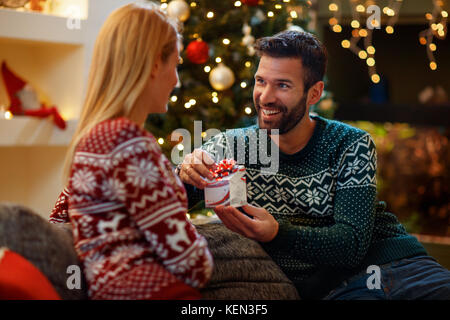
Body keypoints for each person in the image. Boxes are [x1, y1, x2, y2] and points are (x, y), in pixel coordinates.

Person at [177, 30, 450, 300]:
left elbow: (351, 244)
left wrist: (277, 233)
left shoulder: (350, 143)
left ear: (314, 93)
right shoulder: (231, 146)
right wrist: (185, 172)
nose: (265, 96)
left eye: (282, 85)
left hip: (403, 268)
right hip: (336, 291)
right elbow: (165, 202)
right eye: (261, 81)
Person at [49, 2, 213, 300]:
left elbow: (59, 221)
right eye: (174, 65)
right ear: (153, 65)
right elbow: (192, 264)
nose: (176, 81)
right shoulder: (128, 142)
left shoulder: (94, 139)